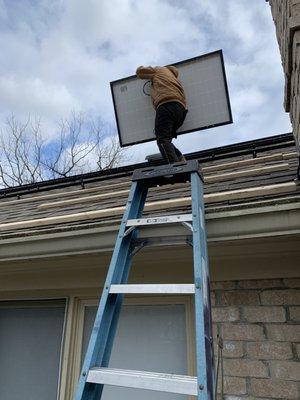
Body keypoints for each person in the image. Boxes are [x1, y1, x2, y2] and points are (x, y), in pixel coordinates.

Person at [136, 65, 188, 164]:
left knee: (162, 140)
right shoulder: (173, 78)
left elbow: (140, 72)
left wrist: (145, 68)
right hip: (181, 110)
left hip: (167, 104)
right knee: (165, 139)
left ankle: (176, 169)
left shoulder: (159, 70)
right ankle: (180, 159)